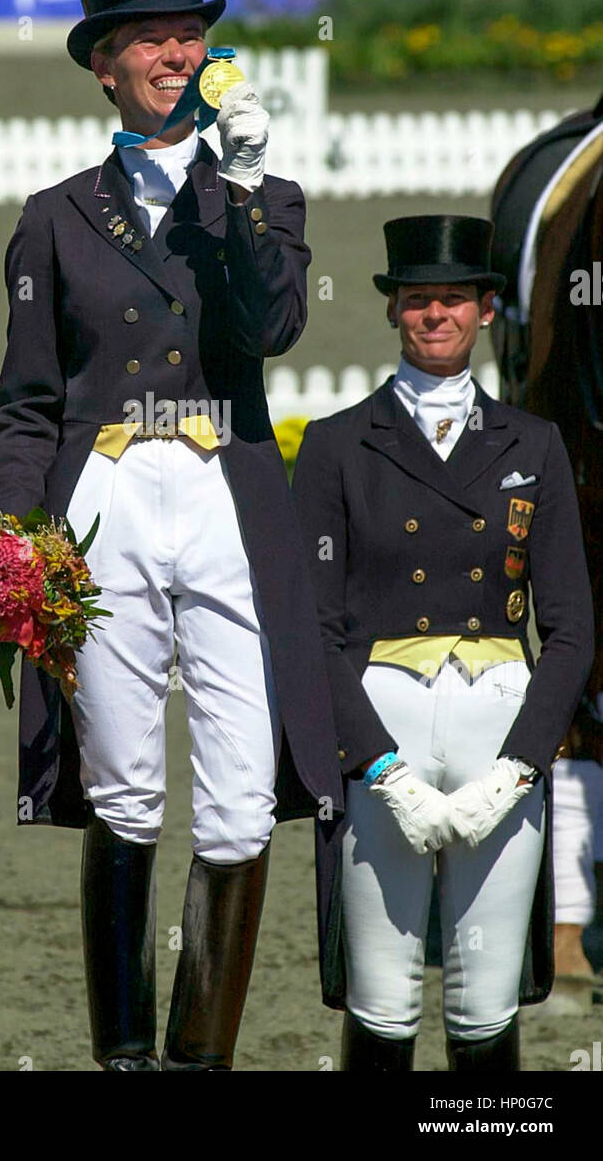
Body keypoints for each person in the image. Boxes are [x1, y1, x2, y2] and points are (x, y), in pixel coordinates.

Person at [0, 0, 342, 1071]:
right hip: (106, 502)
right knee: (126, 792)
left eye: (190, 35)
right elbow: (29, 400)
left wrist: (241, 191)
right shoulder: (53, 219)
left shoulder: (259, 198)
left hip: (224, 490)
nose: (176, 53)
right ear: (105, 66)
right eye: (151, 38)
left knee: (240, 802)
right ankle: (126, 1058)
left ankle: (202, 1057)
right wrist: (8, 535)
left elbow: (270, 329)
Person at [292, 214, 595, 1071]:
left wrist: (519, 768)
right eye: (419, 299)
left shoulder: (534, 444)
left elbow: (570, 629)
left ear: (486, 311)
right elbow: (313, 629)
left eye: (454, 300)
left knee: (485, 997)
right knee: (382, 995)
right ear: (394, 310)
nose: (436, 315)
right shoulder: (336, 445)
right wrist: (378, 770)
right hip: (381, 733)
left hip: (498, 732)